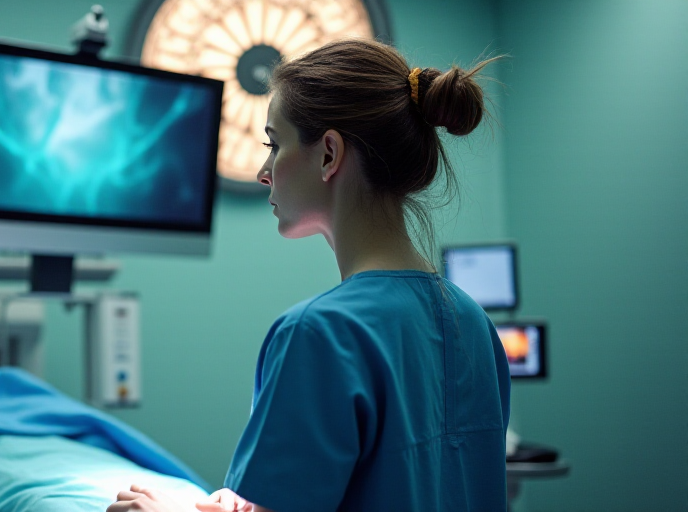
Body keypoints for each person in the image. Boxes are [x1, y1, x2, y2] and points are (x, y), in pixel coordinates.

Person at [109, 38, 510, 512]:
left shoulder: (319, 334)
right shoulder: (474, 324)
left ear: (328, 155)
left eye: (274, 145)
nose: (264, 171)